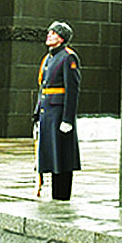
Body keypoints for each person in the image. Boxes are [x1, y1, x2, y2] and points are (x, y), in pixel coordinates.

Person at [34, 21, 81, 201]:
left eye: (53, 33)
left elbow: (72, 90)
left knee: (62, 156)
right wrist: (37, 111)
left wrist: (68, 119)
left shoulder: (68, 57)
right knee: (53, 156)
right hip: (48, 113)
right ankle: (56, 195)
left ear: (61, 38)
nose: (49, 35)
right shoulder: (48, 58)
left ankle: (62, 196)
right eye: (49, 32)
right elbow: (43, 87)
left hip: (59, 113)